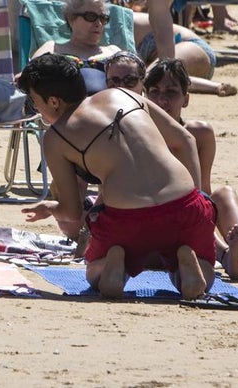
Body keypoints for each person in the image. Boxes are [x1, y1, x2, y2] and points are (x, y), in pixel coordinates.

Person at [17, 54, 216, 300]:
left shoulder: (56, 138)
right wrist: (195, 198)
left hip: (128, 219)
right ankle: (188, 268)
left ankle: (113, 269)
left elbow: (71, 212)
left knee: (93, 273)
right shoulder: (125, 94)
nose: (36, 108)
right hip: (184, 204)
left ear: (54, 101)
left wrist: (51, 208)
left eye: (36, 102)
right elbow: (185, 140)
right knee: (206, 268)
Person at [143, 59, 238, 280]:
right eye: (155, 92)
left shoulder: (200, 134)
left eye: (171, 92)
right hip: (153, 229)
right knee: (185, 204)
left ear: (186, 99)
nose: (162, 100)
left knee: (223, 193)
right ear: (145, 97)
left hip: (192, 220)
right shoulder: (139, 134)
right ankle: (228, 255)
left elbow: (203, 190)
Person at [31, 0, 123, 95]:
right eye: (91, 16)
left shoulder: (113, 51)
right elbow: (29, 78)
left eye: (103, 18)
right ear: (71, 18)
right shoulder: (53, 48)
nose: (99, 24)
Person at [130, 11, 238, 96]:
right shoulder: (118, 20)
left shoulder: (119, 21)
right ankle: (216, 87)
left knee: (152, 76)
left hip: (193, 47)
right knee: (162, 79)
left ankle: (216, 87)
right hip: (188, 61)